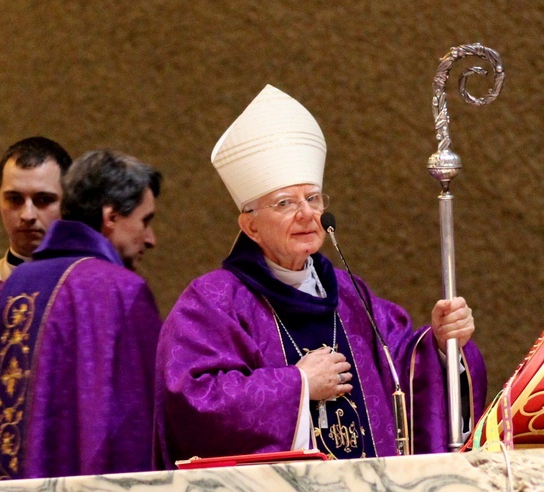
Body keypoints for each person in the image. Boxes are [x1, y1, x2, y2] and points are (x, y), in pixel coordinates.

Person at [155, 84, 487, 468]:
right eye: (285, 203)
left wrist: (441, 343)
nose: (307, 214)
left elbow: (401, 370)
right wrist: (297, 386)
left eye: (313, 199)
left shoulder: (349, 293)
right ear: (250, 226)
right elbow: (194, 400)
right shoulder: (214, 301)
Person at [0, 149, 163, 479]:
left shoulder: (16, 283)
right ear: (111, 216)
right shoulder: (122, 291)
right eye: (145, 221)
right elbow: (139, 424)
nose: (151, 238)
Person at [0, 137, 72, 283]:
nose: (28, 215)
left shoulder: (90, 288)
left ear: (69, 203)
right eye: (14, 199)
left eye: (44, 200)